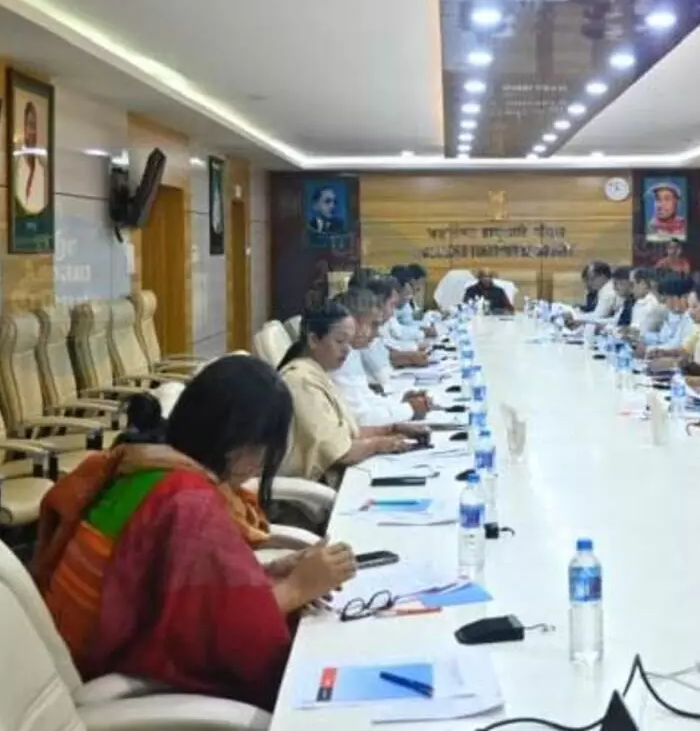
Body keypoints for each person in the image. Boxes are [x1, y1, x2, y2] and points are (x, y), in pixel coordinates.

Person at [32, 357, 356, 711]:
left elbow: (176, 587)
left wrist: (267, 575)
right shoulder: (187, 500)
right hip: (106, 664)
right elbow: (226, 639)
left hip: (73, 646)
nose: (261, 465)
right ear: (238, 444)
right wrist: (297, 588)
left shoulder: (147, 462)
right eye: (262, 451)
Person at [278, 303, 413, 484]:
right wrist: (380, 444)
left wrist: (391, 429)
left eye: (349, 342)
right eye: (340, 341)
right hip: (314, 489)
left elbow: (346, 435)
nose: (347, 349)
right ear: (314, 340)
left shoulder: (317, 373)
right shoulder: (301, 381)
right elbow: (339, 453)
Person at [329, 287, 432, 427]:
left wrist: (400, 402)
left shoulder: (352, 353)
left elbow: (366, 398)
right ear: (353, 322)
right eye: (373, 325)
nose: (377, 333)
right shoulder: (336, 357)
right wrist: (409, 409)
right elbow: (361, 419)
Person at [638, 276, 694, 352]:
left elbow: (676, 345)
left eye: (667, 297)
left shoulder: (691, 319)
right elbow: (662, 338)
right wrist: (642, 338)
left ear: (680, 298)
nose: (663, 300)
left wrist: (648, 349)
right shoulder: (675, 315)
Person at [14, 101, 50, 216]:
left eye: (35, 127)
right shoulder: (15, 166)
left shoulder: (44, 169)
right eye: (30, 125)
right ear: (24, 128)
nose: (33, 132)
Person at [568, 261, 619, 325]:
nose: (589, 283)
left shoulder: (608, 291)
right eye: (589, 279)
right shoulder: (604, 289)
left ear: (602, 276)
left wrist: (574, 316)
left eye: (592, 279)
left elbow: (598, 316)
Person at [624, 268, 667, 336]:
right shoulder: (639, 302)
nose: (631, 290)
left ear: (643, 284)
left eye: (632, 285)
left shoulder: (652, 304)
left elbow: (638, 334)